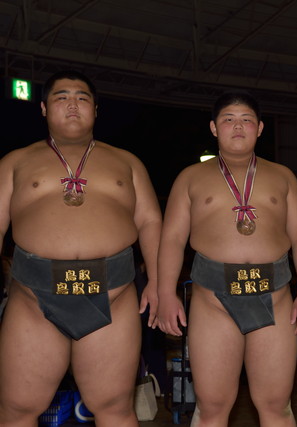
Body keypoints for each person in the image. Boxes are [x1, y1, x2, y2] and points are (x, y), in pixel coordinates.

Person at [0, 70, 162, 426]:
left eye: (82, 98)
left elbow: (150, 221)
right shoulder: (15, 162)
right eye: (62, 97)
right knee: (17, 409)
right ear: (44, 108)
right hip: (33, 298)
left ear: (96, 110)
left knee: (115, 408)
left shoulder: (128, 162)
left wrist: (158, 282)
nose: (72, 104)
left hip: (113, 295)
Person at [156, 92, 297, 426]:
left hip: (276, 299)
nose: (238, 126)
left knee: (276, 404)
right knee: (211, 406)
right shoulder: (190, 177)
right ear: (214, 128)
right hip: (212, 302)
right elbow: (172, 238)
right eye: (228, 119)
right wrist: (165, 293)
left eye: (246, 120)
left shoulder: (283, 176)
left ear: (260, 128)